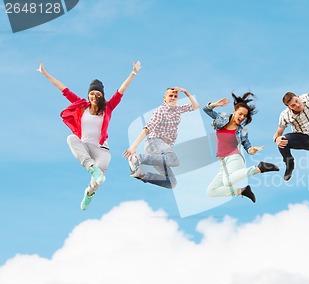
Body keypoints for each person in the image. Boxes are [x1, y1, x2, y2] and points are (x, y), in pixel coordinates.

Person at [38, 60, 141, 210]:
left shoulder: (109, 107)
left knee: (101, 177)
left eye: (97, 93)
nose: (93, 96)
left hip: (101, 149)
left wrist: (133, 73)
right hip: (84, 147)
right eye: (91, 93)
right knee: (71, 138)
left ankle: (89, 192)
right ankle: (90, 167)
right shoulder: (81, 105)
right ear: (88, 95)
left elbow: (121, 91)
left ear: (102, 95)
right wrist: (45, 73)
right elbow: (63, 89)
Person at [203, 92, 279, 203]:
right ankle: (242, 191)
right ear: (234, 111)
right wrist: (215, 104)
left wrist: (252, 150)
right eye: (240, 114)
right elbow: (206, 110)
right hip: (222, 161)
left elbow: (248, 148)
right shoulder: (222, 118)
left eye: (244, 116)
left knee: (227, 182)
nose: (242, 117)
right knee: (211, 191)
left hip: (234, 157)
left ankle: (259, 168)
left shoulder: (242, 131)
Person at [123, 87, 200, 189]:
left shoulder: (178, 109)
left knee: (171, 183)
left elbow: (196, 106)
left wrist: (186, 92)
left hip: (161, 153)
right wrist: (134, 146)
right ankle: (138, 159)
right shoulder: (161, 111)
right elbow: (148, 128)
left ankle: (140, 175)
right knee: (174, 160)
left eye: (175, 96)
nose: (173, 98)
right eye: (170, 96)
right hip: (154, 143)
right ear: (165, 98)